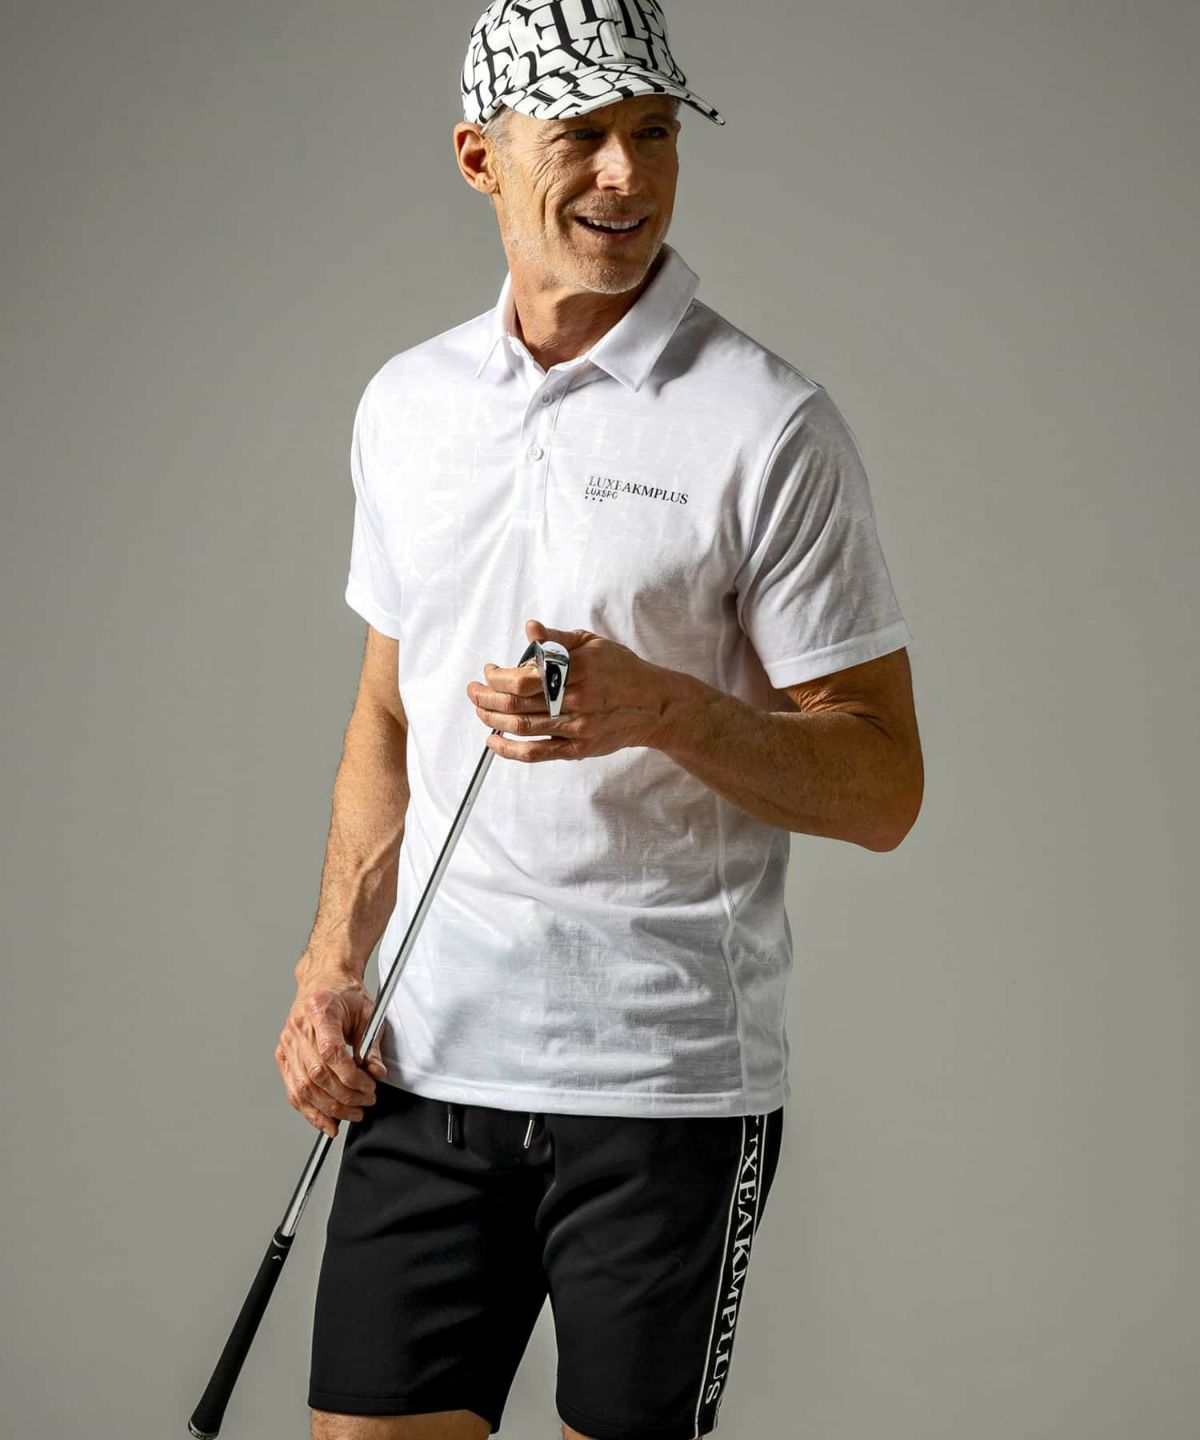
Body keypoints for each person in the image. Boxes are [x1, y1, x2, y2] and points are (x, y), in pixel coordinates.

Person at [274, 2, 924, 1437]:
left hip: (663, 1088)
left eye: (654, 133)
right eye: (581, 135)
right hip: (426, 1065)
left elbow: (884, 787)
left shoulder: (768, 423)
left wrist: (662, 708)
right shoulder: (408, 405)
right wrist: (331, 967)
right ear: (480, 159)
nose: (627, 175)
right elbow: (388, 715)